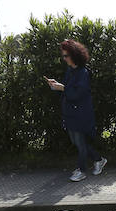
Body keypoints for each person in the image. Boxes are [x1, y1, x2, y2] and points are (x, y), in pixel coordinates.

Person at [45, 39, 107, 182]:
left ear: (74, 55)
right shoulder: (70, 71)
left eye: (66, 56)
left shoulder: (83, 73)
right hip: (71, 112)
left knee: (79, 142)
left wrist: (62, 88)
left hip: (80, 113)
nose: (64, 58)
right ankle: (99, 159)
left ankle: (82, 170)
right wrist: (57, 86)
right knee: (77, 141)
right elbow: (68, 90)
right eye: (64, 56)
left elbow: (77, 94)